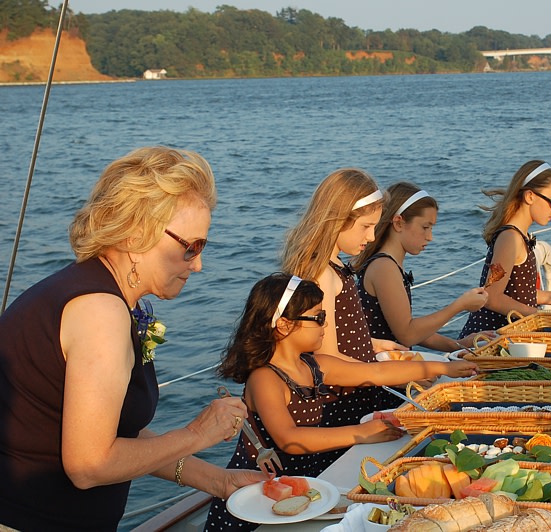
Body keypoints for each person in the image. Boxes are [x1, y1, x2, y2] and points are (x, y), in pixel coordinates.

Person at [0, 147, 266, 531]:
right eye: (190, 246)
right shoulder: (100, 314)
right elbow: (89, 465)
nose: (198, 263)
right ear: (134, 232)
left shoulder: (85, 290)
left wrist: (219, 481)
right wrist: (196, 434)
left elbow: (115, 432)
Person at [205, 273, 477, 530]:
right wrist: (360, 433)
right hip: (256, 496)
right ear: (284, 325)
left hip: (301, 486)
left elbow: (376, 372)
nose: (326, 324)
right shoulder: (265, 378)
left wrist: (442, 369)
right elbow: (289, 438)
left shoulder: (313, 365)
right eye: (318, 317)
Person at [281, 168, 405, 467]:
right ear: (338, 219)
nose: (372, 236)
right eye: (365, 226)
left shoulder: (334, 266)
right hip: (340, 404)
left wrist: (372, 344)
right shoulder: (322, 273)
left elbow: (338, 332)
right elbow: (325, 357)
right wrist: (391, 376)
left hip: (354, 388)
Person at [352, 182, 489, 352]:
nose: (430, 237)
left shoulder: (387, 264)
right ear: (399, 223)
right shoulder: (384, 268)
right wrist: (460, 306)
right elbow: (407, 334)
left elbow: (407, 327)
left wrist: (460, 345)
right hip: (382, 369)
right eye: (425, 227)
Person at [459, 160, 551, 338]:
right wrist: (540, 318)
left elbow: (516, 292)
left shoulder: (519, 236)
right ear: (530, 196)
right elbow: (492, 296)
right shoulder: (510, 239)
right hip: (488, 341)